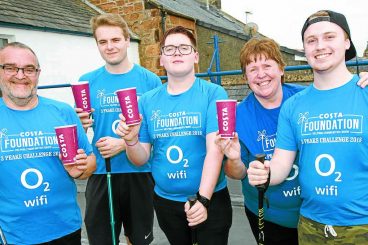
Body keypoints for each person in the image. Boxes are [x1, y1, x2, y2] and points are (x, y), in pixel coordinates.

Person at [247, 10, 368, 244]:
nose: (320, 45)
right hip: (310, 225)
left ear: (347, 42)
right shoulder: (293, 106)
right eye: (311, 40)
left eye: (329, 37)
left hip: (362, 224)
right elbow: (282, 164)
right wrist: (265, 174)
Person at [116, 26, 232, 245]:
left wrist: (203, 200)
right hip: (166, 203)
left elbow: (214, 151)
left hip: (211, 199)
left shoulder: (213, 93)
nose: (177, 53)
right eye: (169, 49)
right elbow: (141, 159)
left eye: (184, 48)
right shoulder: (147, 100)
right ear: (161, 59)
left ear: (196, 56)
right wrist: (131, 141)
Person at [76, 13, 162, 245]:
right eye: (103, 42)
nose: (109, 46)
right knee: (102, 239)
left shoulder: (150, 80)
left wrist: (123, 144)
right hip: (102, 173)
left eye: (115, 40)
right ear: (97, 45)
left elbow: (158, 132)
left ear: (126, 40)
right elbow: (80, 135)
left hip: (140, 172)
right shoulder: (86, 82)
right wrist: (81, 127)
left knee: (138, 240)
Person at [0, 42, 96, 244]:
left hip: (65, 229)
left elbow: (90, 161)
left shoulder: (62, 112)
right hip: (13, 235)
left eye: (29, 69)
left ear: (38, 73)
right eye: (10, 67)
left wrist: (82, 168)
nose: (20, 75)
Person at [216, 37, 303, 245]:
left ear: (281, 69)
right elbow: (236, 173)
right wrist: (235, 159)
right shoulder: (237, 116)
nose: (261, 74)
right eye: (252, 68)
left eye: (267, 65)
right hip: (267, 215)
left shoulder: (306, 99)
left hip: (312, 213)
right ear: (245, 77)